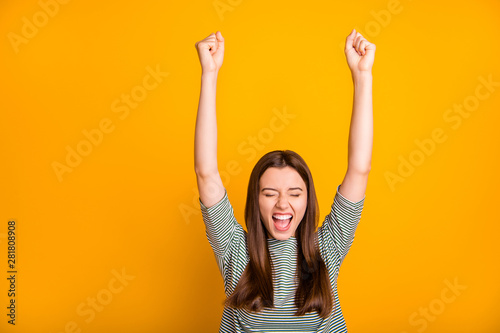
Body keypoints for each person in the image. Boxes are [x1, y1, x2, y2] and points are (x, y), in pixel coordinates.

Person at [194, 29, 375, 332]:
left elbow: (360, 168)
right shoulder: (235, 250)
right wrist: (209, 74)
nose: (282, 203)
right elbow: (206, 172)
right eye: (269, 193)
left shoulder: (327, 248)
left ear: (307, 199)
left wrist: (362, 76)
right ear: (256, 200)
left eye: (294, 193)